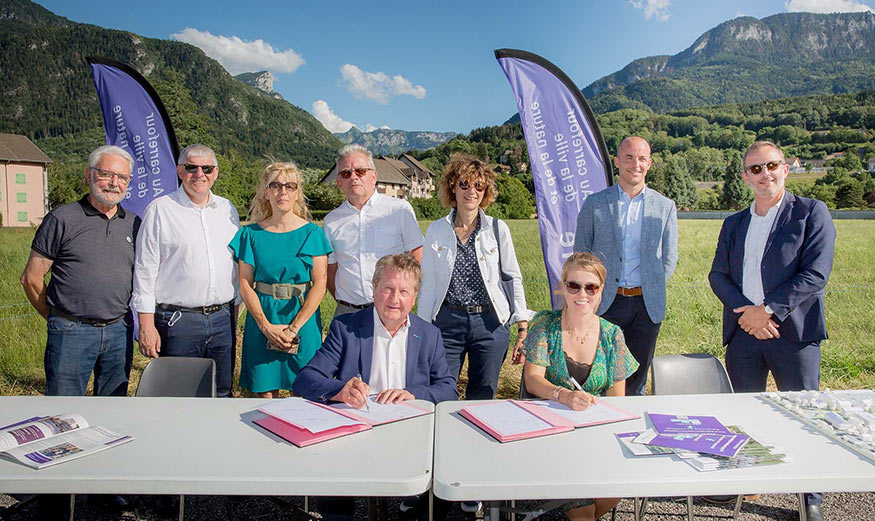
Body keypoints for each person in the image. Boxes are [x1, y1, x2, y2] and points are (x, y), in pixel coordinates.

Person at [708, 140, 835, 521]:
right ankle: (745, 480)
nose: (766, 174)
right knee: (744, 415)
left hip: (792, 334)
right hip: (744, 332)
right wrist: (747, 314)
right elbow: (718, 275)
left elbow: (815, 274)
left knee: (804, 415)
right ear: (746, 176)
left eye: (772, 165)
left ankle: (810, 493)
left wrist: (769, 312)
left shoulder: (812, 212)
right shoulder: (734, 223)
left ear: (786, 167)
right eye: (756, 169)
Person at [20, 144, 139, 515]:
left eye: (121, 177)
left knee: (111, 416)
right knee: (61, 417)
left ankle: (103, 489)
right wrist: (58, 319)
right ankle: (56, 497)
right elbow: (32, 278)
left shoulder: (134, 223)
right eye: (106, 174)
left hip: (119, 332)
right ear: (90, 176)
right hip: (71, 331)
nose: (113, 182)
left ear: (129, 183)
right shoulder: (63, 217)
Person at [293, 253, 456, 521]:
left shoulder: (429, 335)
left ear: (414, 297)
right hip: (355, 432)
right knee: (332, 483)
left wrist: (414, 395)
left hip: (410, 432)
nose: (395, 299)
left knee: (440, 482)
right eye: (388, 288)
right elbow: (306, 378)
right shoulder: (347, 329)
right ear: (374, 287)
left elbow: (448, 388)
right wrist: (340, 390)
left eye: (404, 291)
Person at [522, 252, 638, 521]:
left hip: (596, 435)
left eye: (590, 287)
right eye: (573, 285)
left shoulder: (612, 335)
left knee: (618, 488)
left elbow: (616, 402)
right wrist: (563, 395)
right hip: (553, 433)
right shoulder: (545, 323)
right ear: (562, 286)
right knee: (585, 514)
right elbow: (532, 379)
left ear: (601, 291)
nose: (581, 293)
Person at [418, 154, 533, 401]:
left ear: (486, 191)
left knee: (483, 396)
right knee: (440, 391)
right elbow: (427, 285)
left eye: (479, 186)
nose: (472, 191)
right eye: (465, 184)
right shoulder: (437, 230)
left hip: (490, 323)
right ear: (452, 187)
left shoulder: (497, 228)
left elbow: (513, 278)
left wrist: (522, 327)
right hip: (447, 322)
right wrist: (423, 331)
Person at [132, 144, 240, 398]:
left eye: (207, 168)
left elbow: (235, 265)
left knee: (221, 390)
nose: (199, 173)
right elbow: (144, 270)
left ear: (216, 172)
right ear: (180, 171)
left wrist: (234, 313)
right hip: (179, 321)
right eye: (192, 167)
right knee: (179, 394)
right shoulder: (160, 209)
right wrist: (146, 325)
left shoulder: (227, 209)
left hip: (222, 319)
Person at [573, 136, 677, 396]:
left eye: (642, 158)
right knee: (599, 376)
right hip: (605, 303)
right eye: (629, 157)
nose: (635, 164)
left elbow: (668, 258)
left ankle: (631, 432)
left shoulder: (664, 207)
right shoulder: (595, 203)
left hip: (646, 306)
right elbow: (581, 254)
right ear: (617, 162)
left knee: (636, 383)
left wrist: (651, 286)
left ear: (649, 163)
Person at [229, 162, 331, 398]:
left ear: (297, 193)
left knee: (305, 392)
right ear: (266, 192)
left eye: (289, 186)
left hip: (302, 318)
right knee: (263, 395)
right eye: (275, 185)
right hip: (262, 316)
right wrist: (265, 326)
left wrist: (294, 328)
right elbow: (245, 283)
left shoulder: (312, 233)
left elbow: (320, 285)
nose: (282, 192)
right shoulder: (250, 234)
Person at [322, 144, 423, 317]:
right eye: (346, 173)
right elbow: (331, 269)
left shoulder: (399, 209)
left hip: (391, 309)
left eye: (360, 171)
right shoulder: (331, 221)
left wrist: (404, 296)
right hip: (347, 312)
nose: (354, 177)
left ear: (374, 176)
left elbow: (416, 254)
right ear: (339, 182)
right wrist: (345, 299)